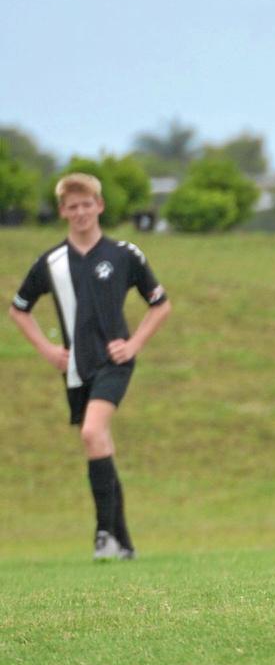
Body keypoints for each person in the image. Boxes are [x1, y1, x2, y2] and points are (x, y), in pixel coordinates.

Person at [9, 171, 172, 558]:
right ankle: (124, 542)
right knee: (99, 443)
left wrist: (133, 345)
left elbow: (160, 305)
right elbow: (19, 310)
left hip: (114, 364)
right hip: (76, 369)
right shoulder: (51, 262)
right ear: (63, 211)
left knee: (91, 432)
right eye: (72, 206)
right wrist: (48, 350)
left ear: (99, 206)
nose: (80, 212)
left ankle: (104, 535)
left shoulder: (124, 254)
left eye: (87, 204)